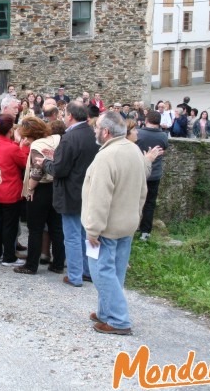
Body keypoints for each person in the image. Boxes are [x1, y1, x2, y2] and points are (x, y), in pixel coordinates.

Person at [83, 111, 147, 335]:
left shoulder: (106, 157)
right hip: (126, 225)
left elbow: (99, 197)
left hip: (105, 228)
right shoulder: (133, 150)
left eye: (97, 127)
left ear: (106, 132)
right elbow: (142, 190)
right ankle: (106, 312)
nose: (94, 131)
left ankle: (119, 320)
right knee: (116, 271)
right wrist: (136, 217)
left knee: (101, 271)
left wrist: (93, 230)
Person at [40, 102, 98, 287]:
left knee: (72, 236)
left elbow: (60, 169)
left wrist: (45, 163)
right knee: (85, 234)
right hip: (88, 191)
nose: (64, 117)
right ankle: (88, 270)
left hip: (71, 192)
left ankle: (75, 275)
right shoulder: (92, 134)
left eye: (65, 114)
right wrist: (56, 156)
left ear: (71, 116)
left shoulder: (70, 137)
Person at [16, 117, 65, 275]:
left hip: (42, 188)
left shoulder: (37, 145)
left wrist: (29, 189)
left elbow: (38, 171)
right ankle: (58, 263)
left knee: (35, 228)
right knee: (56, 227)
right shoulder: (56, 138)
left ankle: (31, 265)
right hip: (56, 187)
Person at [0, 114, 29, 267]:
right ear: (10, 130)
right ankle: (8, 257)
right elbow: (25, 162)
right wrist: (23, 147)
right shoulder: (12, 148)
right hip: (10, 192)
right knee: (9, 225)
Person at [135, 111, 168, 241]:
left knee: (135, 201)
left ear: (147, 120)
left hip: (139, 172)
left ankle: (132, 227)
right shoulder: (163, 136)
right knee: (150, 203)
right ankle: (145, 232)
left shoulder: (139, 133)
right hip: (154, 174)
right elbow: (164, 150)